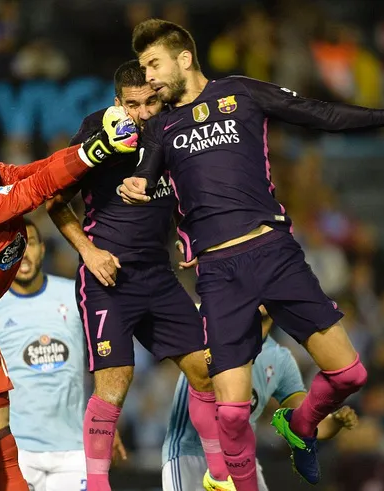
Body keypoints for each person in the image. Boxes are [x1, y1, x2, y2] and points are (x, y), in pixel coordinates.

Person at [119, 18, 384, 491]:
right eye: (143, 68)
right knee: (230, 413)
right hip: (220, 273)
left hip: (275, 253)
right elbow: (146, 178)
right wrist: (135, 185)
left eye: (153, 64)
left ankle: (302, 424)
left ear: (184, 58)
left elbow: (319, 113)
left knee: (350, 374)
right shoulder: (161, 127)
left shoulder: (242, 93)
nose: (149, 77)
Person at [0, 112, 137, 491]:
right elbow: (35, 191)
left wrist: (90, 147)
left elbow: (40, 169)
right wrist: (97, 150)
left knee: (7, 451)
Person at [47, 60, 229, 491]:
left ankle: (219, 476)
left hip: (158, 276)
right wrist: (89, 253)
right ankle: (97, 487)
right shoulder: (98, 134)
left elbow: (190, 191)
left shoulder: (174, 128)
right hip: (106, 280)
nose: (144, 113)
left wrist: (189, 237)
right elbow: (55, 200)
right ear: (117, 103)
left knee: (207, 370)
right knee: (115, 382)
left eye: (150, 102)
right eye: (133, 105)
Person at [0, 219, 127, 491]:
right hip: (17, 450)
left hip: (74, 448)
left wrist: (105, 424)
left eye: (29, 243)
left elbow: (101, 362)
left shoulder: (74, 295)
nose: (22, 253)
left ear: (42, 249)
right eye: (12, 247)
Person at [162, 307, 359, 491]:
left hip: (239, 461)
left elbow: (303, 421)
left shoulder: (280, 360)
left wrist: (334, 421)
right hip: (188, 454)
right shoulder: (210, 324)